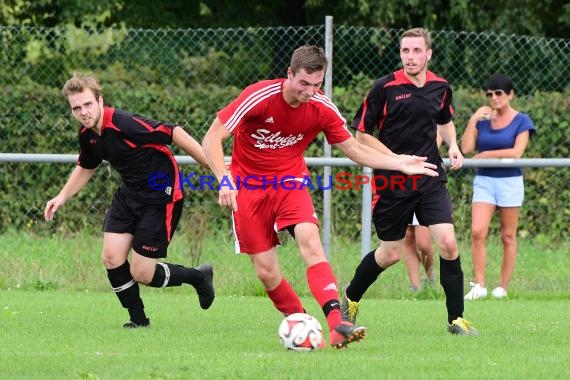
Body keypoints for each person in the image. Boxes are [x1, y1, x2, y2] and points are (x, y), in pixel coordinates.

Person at [201, 45, 440, 349]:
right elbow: (212, 138)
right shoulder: (260, 96)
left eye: (317, 84)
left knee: (311, 242)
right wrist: (225, 180)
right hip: (247, 187)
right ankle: (303, 324)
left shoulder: (321, 106)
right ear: (290, 74)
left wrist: (398, 162)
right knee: (266, 271)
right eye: (304, 83)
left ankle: (337, 325)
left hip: (289, 182)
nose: (310, 92)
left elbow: (354, 149)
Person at [44, 73, 215, 328]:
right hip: (129, 195)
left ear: (100, 101)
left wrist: (208, 162)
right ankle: (138, 321)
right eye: (76, 108)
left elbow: (172, 131)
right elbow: (86, 165)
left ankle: (198, 277)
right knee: (111, 257)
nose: (83, 112)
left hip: (160, 197)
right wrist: (62, 195)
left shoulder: (124, 123)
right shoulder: (88, 134)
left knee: (142, 273)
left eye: (88, 104)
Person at [340, 28, 478, 336]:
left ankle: (456, 319)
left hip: (429, 176)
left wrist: (453, 145)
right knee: (390, 252)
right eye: (405, 51)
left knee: (448, 242)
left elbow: (445, 120)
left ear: (428, 54)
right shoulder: (384, 87)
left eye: (417, 51)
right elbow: (362, 135)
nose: (411, 57)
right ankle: (350, 297)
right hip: (392, 183)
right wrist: (399, 162)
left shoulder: (441, 86)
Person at [461, 74, 535, 300]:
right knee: (477, 231)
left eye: (499, 93)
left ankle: (502, 287)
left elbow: (517, 152)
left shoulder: (521, 120)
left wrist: (488, 154)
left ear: (510, 94)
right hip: (484, 181)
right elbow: (465, 148)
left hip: (510, 182)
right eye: (490, 94)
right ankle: (480, 285)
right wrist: (473, 119)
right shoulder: (482, 120)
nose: (494, 98)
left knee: (508, 236)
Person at [402, 132, 442, 291]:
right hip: (401, 183)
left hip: (425, 184)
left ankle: (430, 277)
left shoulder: (430, 117)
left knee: (423, 243)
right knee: (408, 237)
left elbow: (431, 147)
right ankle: (415, 287)